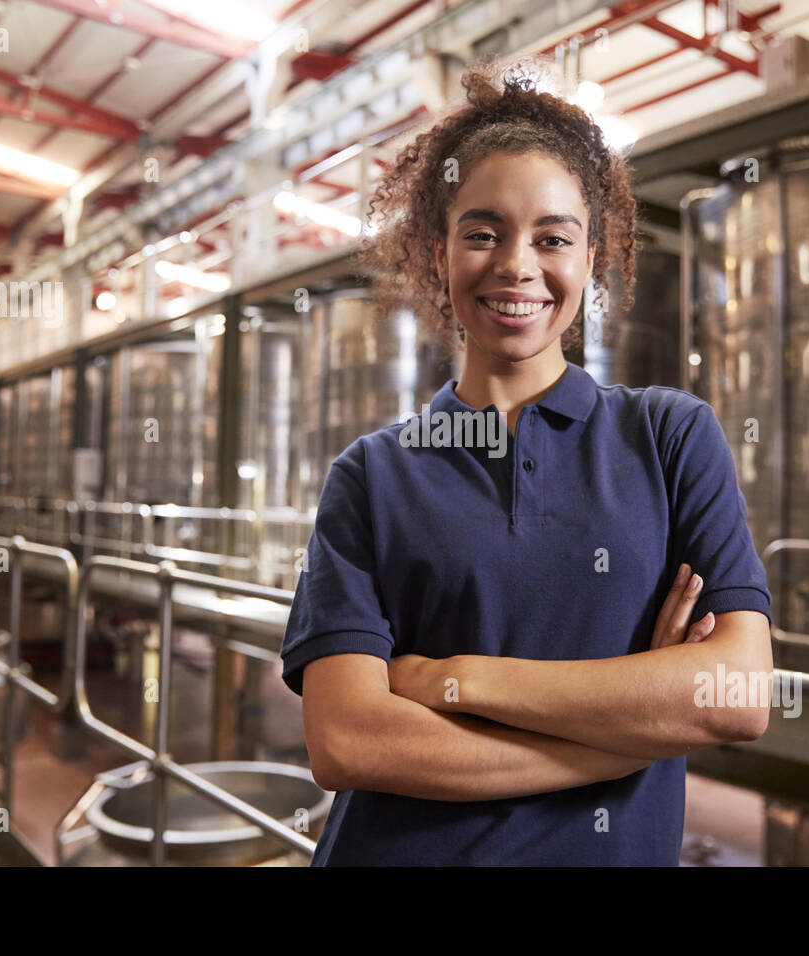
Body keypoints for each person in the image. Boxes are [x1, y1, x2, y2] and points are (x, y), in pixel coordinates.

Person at [278, 57, 773, 865]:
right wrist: (628, 734)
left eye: (553, 237)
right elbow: (347, 741)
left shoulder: (669, 437)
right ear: (438, 253)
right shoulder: (371, 475)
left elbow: (739, 693)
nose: (516, 265)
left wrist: (455, 678)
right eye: (482, 232)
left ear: (591, 260)